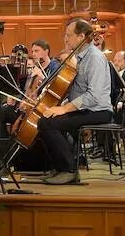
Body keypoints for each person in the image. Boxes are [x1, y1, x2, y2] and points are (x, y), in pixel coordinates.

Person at [31, 19, 113, 185]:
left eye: (69, 35)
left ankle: (69, 170)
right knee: (44, 119)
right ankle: (60, 168)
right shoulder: (79, 57)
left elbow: (94, 96)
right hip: (85, 108)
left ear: (81, 36)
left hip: (98, 111)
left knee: (48, 123)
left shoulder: (95, 58)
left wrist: (64, 109)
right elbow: (76, 89)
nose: (65, 39)